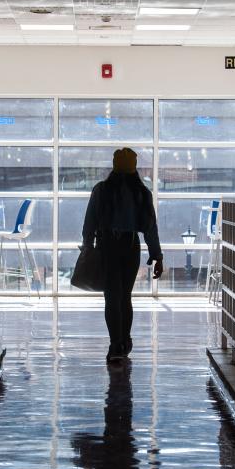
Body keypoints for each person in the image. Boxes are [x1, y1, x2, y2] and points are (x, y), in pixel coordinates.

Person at [82, 147, 163, 362]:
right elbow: (150, 228)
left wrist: (88, 245)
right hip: (131, 247)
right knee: (125, 297)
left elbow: (89, 222)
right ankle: (125, 340)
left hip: (107, 246)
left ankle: (115, 343)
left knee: (112, 297)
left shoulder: (101, 190)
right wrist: (157, 255)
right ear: (134, 167)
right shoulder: (142, 193)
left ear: (114, 165)